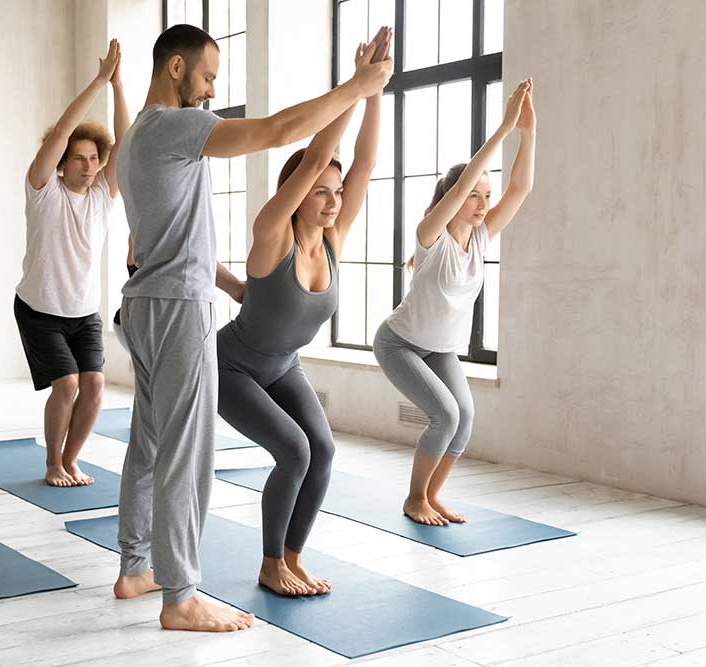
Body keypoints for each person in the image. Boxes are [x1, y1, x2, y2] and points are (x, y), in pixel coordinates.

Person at [112, 23, 392, 632]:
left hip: (149, 303)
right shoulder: (173, 125)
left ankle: (136, 566)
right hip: (176, 309)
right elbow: (279, 133)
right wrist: (357, 86)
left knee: (150, 443)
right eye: (209, 76)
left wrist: (234, 287)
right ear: (178, 68)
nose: (212, 92)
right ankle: (180, 594)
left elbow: (166, 234)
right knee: (186, 453)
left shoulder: (137, 135)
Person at [217, 28, 391, 596]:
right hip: (232, 368)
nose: (333, 197)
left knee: (324, 451)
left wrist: (376, 91)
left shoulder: (333, 239)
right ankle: (269, 565)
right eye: (320, 190)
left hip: (284, 365)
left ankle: (291, 558)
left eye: (336, 191)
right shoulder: (273, 235)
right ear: (296, 191)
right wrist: (353, 85)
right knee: (292, 450)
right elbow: (319, 153)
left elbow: (361, 163)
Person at [373, 79, 535, 526]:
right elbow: (464, 183)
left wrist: (528, 133)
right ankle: (413, 499)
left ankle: (432, 495)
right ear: (453, 199)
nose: (483, 202)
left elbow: (520, 188)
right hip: (399, 344)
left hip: (438, 347)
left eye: (486, 194)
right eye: (473, 195)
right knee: (443, 415)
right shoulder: (432, 236)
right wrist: (501, 130)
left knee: (464, 419)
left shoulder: (481, 238)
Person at [13, 39, 130, 487]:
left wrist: (119, 86)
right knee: (66, 385)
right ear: (62, 164)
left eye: (93, 158)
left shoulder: (103, 194)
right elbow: (62, 131)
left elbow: (127, 140)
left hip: (84, 312)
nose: (87, 164)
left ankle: (70, 459)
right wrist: (98, 80)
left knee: (95, 386)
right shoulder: (43, 191)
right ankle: (50, 464)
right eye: (78, 159)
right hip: (40, 309)